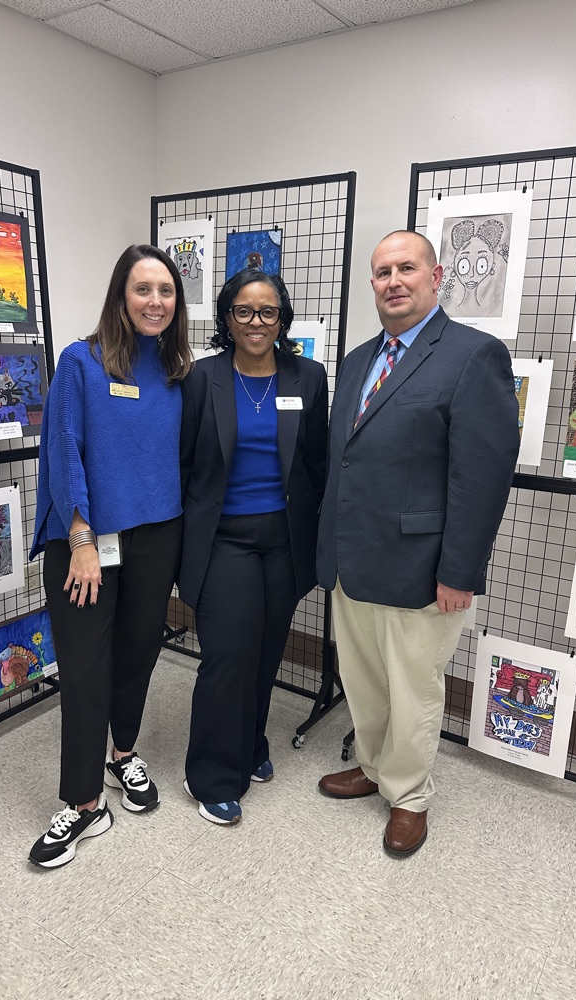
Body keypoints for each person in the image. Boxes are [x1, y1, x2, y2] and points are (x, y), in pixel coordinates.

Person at [316, 230, 520, 858]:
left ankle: (409, 796)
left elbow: (481, 477)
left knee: (413, 686)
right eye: (382, 272)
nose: (393, 281)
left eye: (407, 268)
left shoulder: (472, 355)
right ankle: (375, 766)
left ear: (436, 277)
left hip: (422, 564)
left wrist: (459, 570)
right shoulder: (356, 362)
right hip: (354, 557)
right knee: (366, 677)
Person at [28, 244, 192, 868]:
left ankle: (124, 754)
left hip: (158, 538)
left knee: (136, 657)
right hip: (86, 544)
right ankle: (83, 801)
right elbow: (64, 450)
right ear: (120, 295)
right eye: (142, 289)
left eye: (166, 291)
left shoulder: (179, 371)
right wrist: (81, 537)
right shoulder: (82, 361)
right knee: (85, 668)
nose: (155, 301)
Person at [178, 270, 328, 825]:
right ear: (226, 318)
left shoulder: (307, 378)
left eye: (267, 312)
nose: (256, 322)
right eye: (244, 311)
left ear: (282, 319)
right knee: (228, 656)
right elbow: (185, 463)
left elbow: (316, 464)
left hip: (285, 542)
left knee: (267, 653)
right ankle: (213, 774)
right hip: (225, 542)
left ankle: (251, 746)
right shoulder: (201, 378)